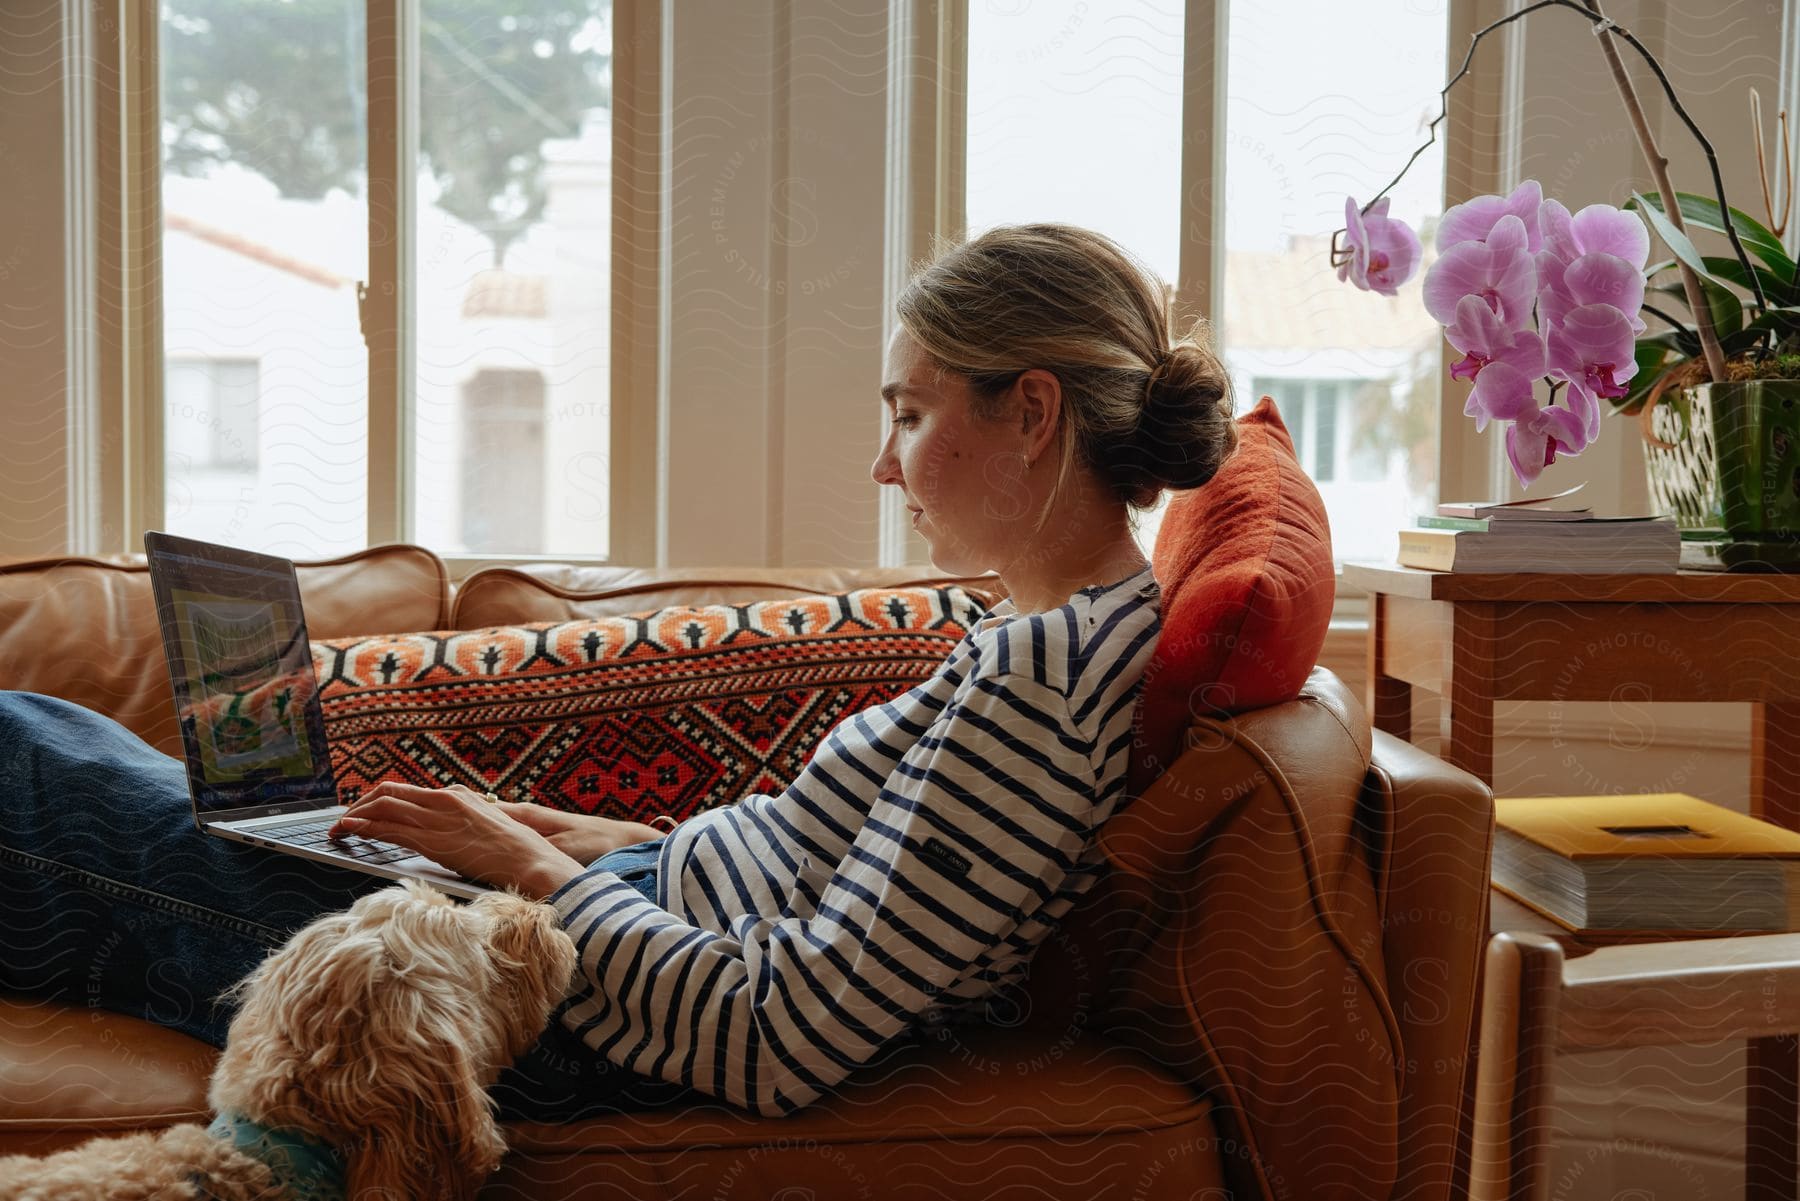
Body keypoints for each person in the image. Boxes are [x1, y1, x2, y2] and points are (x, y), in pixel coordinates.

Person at [0, 223, 1238, 1122]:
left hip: (574, 1011)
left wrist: (529, 870)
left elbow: (781, 1037)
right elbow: (803, 881)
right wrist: (574, 837)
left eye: (909, 414)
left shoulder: (1045, 684)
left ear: (1031, 413)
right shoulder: (1058, 639)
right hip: (600, 928)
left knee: (27, 769)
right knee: (60, 733)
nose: (882, 464)